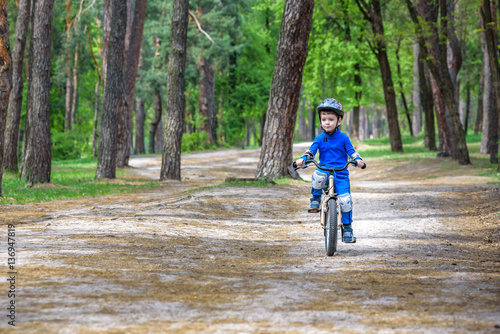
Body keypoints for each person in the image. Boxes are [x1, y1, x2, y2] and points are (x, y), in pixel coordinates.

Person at [295, 98, 365, 243]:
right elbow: (311, 151)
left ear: (339, 121)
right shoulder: (320, 138)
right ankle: (315, 198)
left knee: (345, 201)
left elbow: (352, 152)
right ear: (320, 121)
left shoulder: (344, 138)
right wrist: (303, 159)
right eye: (324, 119)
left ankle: (347, 228)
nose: (327, 122)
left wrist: (358, 160)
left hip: (341, 174)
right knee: (318, 176)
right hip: (325, 171)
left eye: (331, 119)